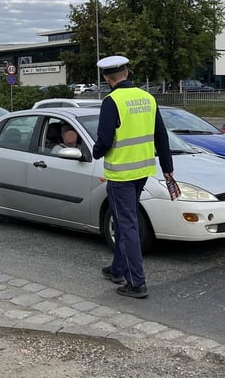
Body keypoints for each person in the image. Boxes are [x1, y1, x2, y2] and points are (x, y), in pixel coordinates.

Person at [92, 55, 174, 299]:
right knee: (123, 219)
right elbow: (161, 135)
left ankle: (136, 282)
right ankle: (117, 269)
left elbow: (105, 140)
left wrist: (95, 152)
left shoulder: (111, 101)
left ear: (107, 78)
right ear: (126, 73)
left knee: (125, 224)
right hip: (143, 171)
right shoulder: (148, 98)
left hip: (121, 173)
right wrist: (168, 167)